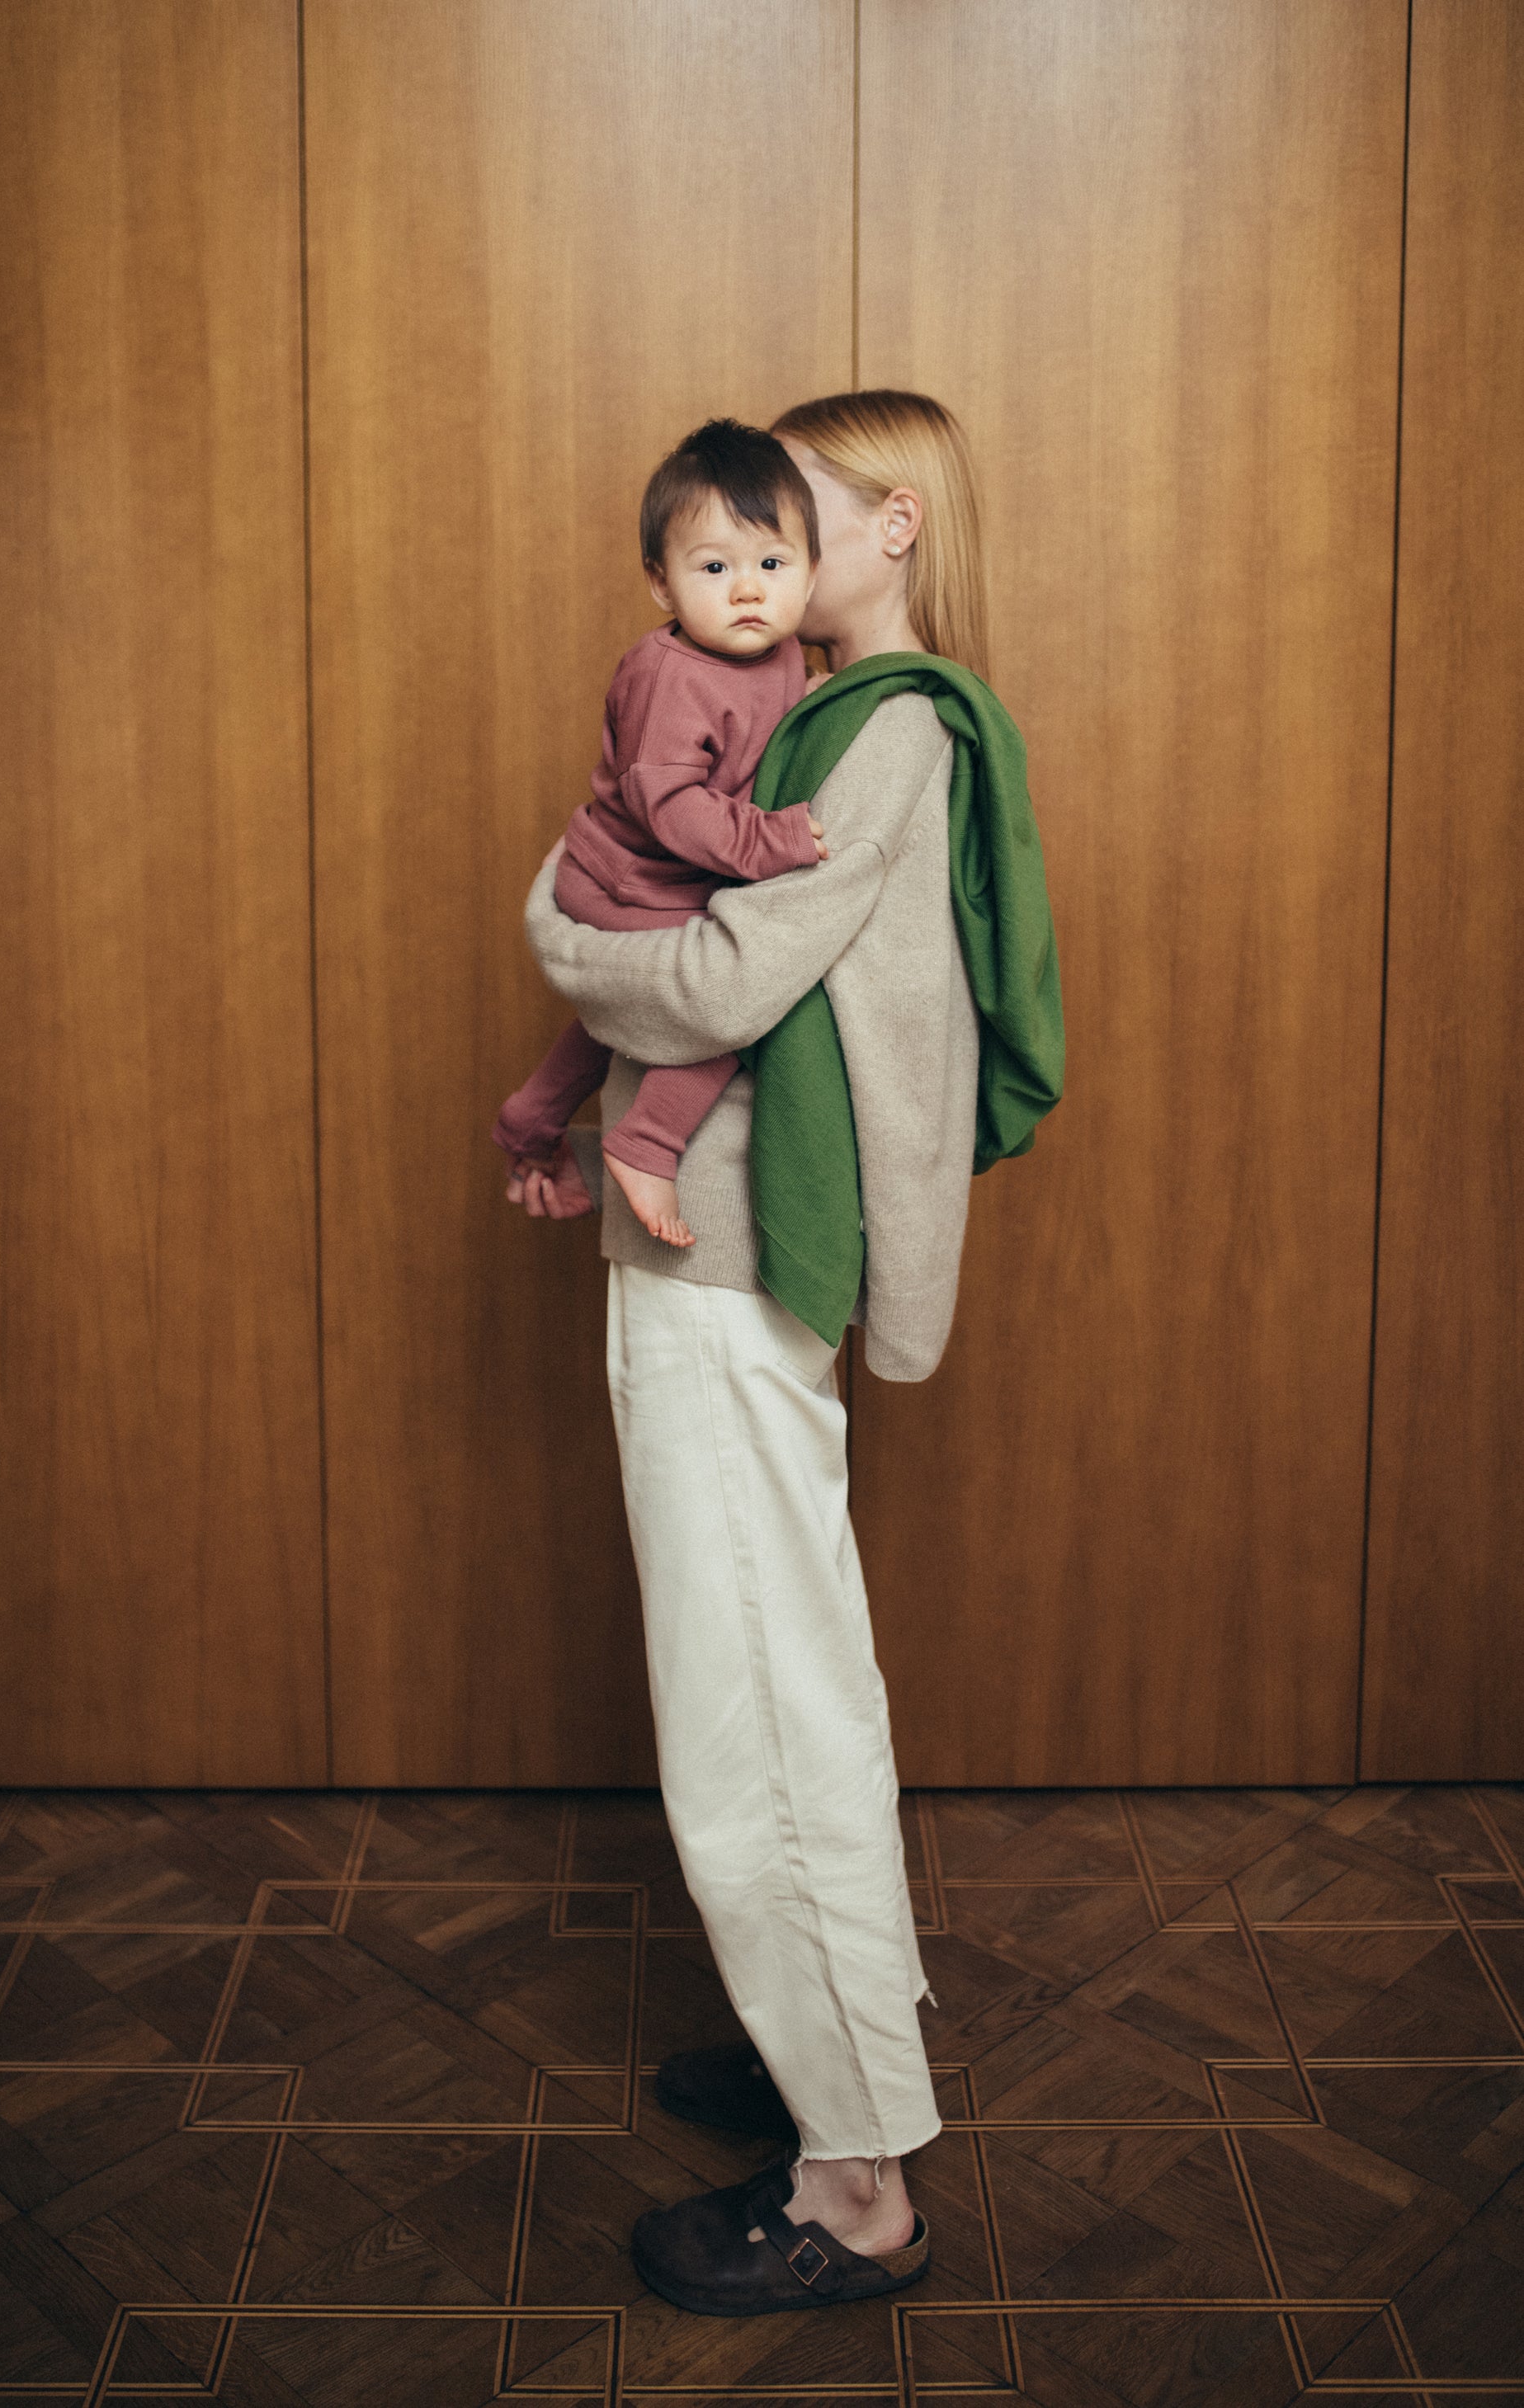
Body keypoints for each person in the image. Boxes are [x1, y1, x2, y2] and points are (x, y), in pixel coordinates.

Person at [504, 390, 1061, 2316]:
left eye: (795, 510)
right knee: (787, 1658)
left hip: (732, 1256)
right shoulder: (810, 709)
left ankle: (854, 2184)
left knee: (753, 1694)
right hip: (723, 1244)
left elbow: (718, 976)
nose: (758, 537)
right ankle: (825, 2042)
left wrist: (552, 924)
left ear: (891, 524)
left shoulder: (885, 730)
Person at [492, 419, 829, 1250]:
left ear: (811, 569)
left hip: (656, 881)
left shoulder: (779, 652)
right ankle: (648, 1141)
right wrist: (769, 841)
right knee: (738, 1000)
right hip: (627, 883)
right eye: (714, 568)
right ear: (661, 583)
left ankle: (531, 1114)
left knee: (622, 1016)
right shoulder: (669, 677)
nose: (747, 591)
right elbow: (671, 807)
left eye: (772, 565)